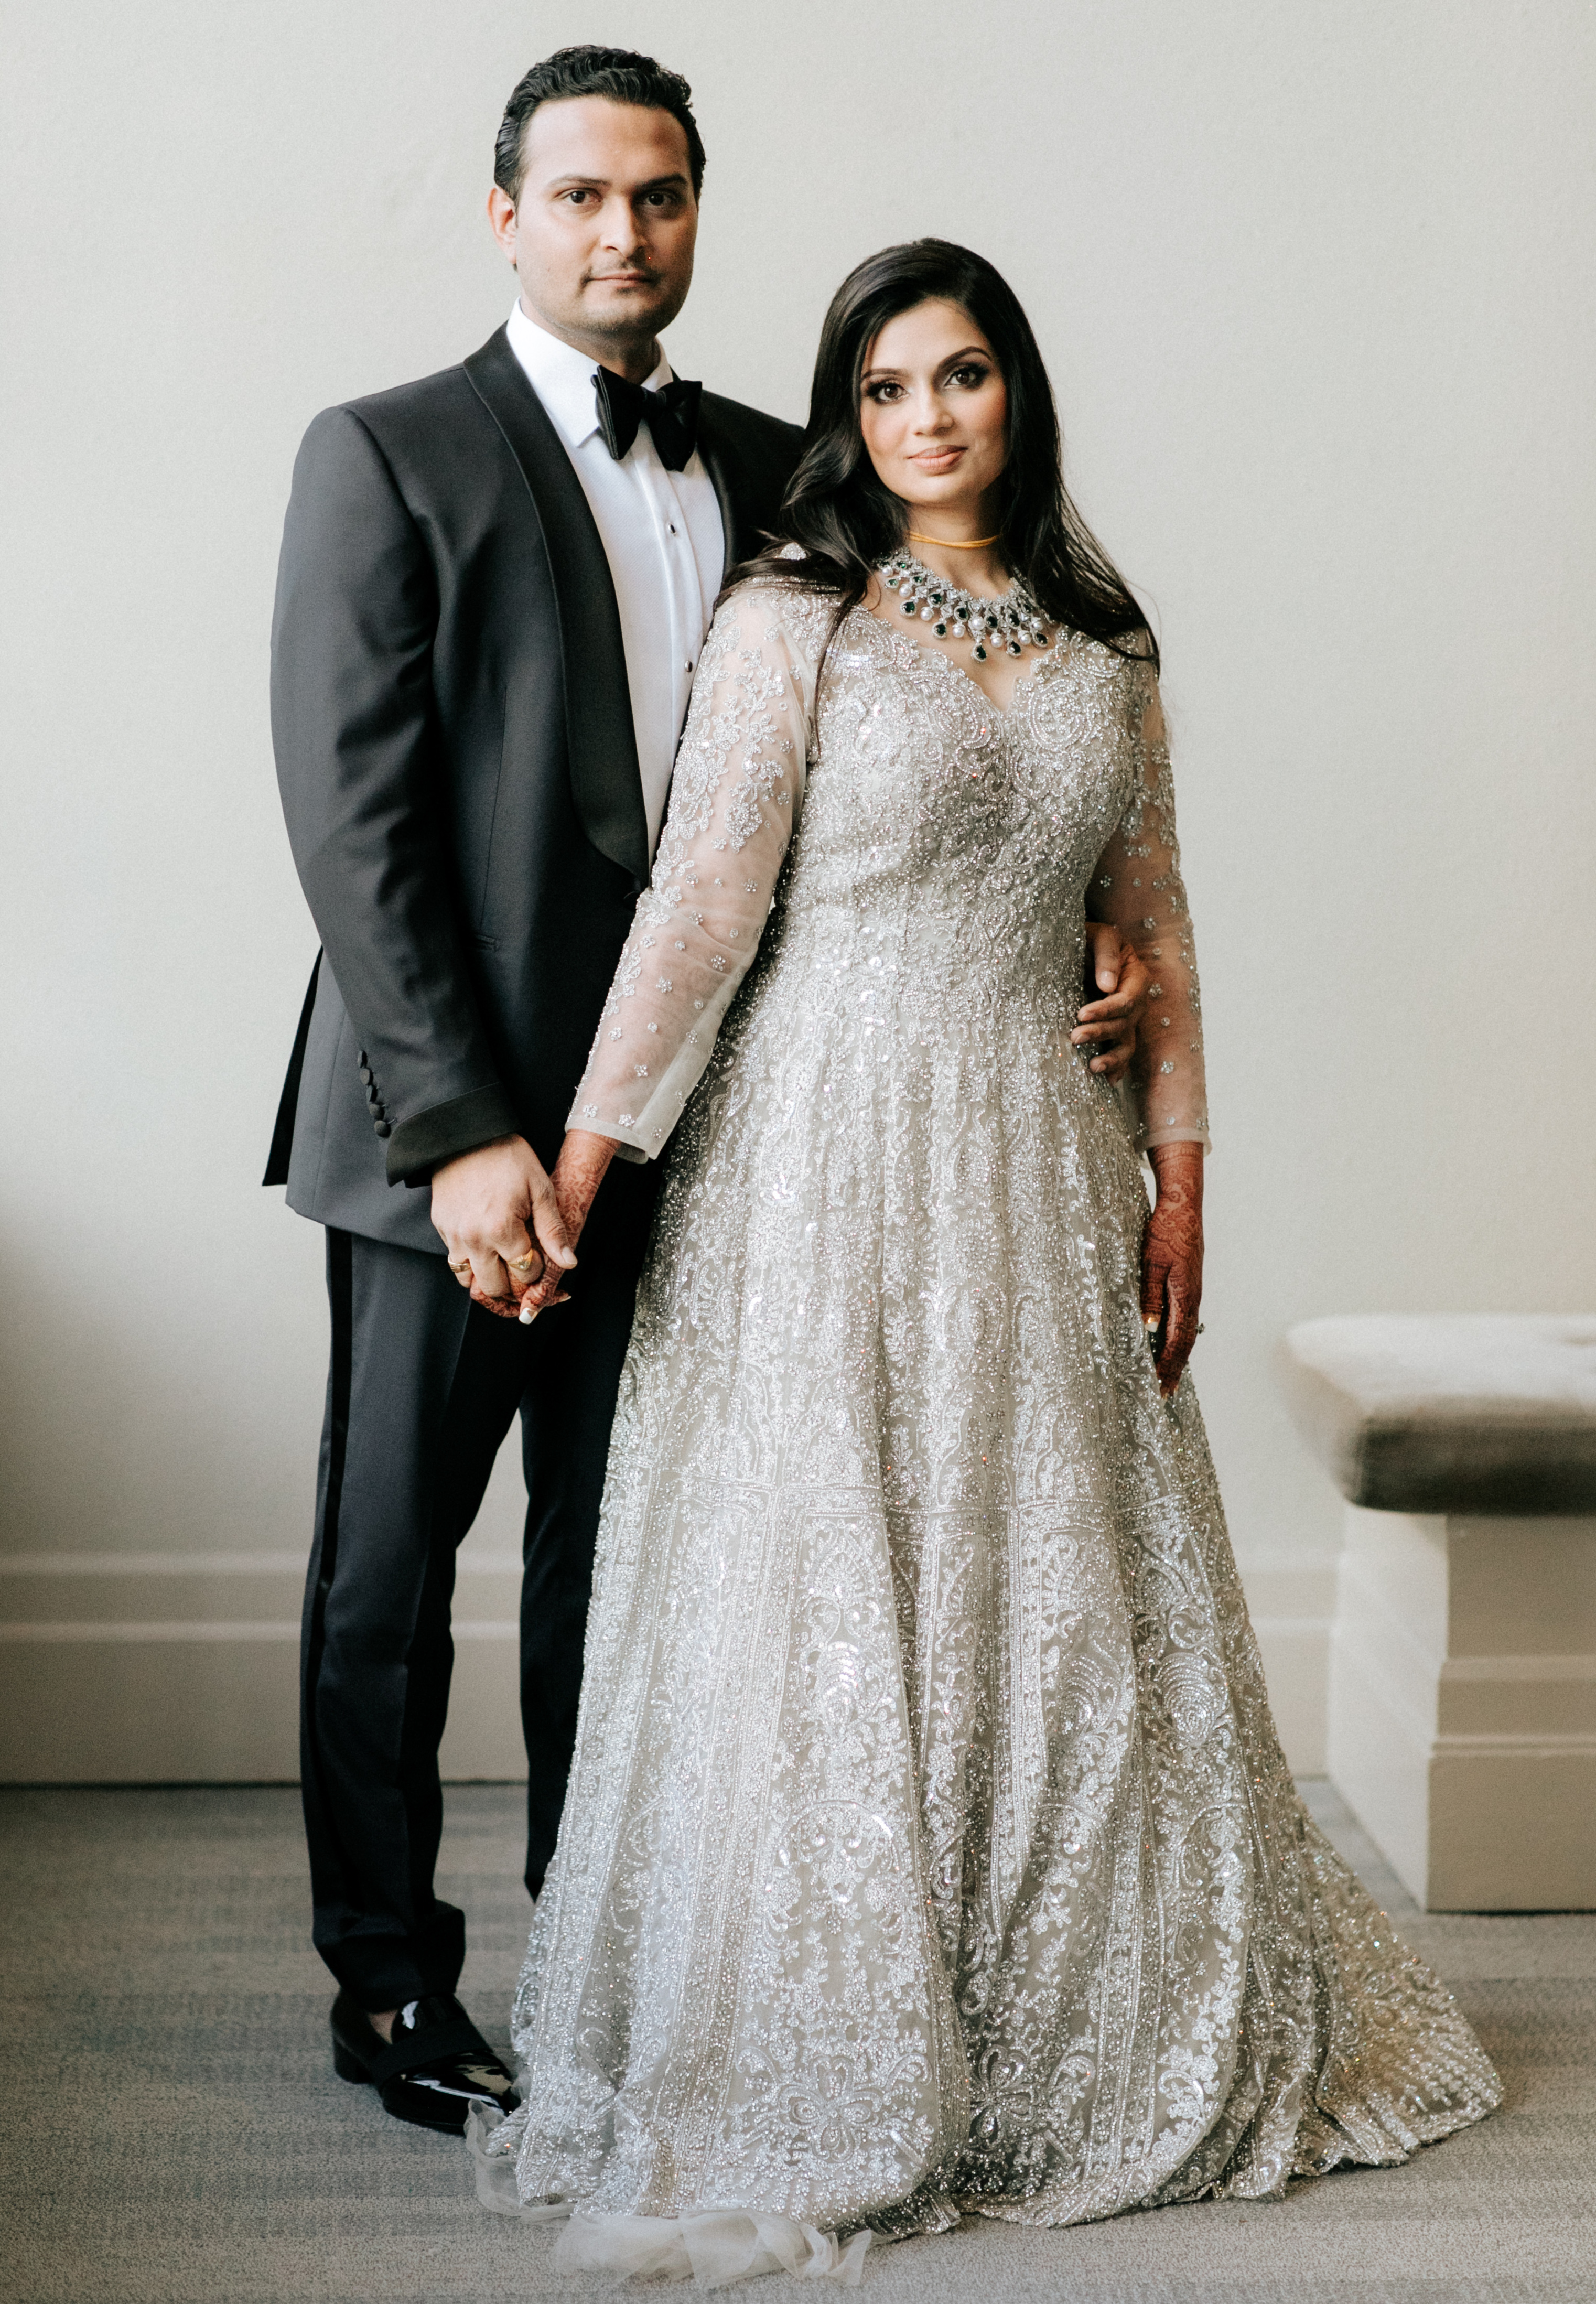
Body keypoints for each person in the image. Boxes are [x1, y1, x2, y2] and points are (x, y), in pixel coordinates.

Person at [471, 241, 1501, 2284]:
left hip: (1036, 1161)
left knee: (1039, 1573)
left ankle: (1058, 2012)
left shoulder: (1104, 635)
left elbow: (1158, 912)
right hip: (822, 1151)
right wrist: (584, 1163)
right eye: (883, 390)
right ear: (846, 417)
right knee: (834, 1570)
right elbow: (697, 909)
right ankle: (827, 2016)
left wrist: (1180, 1175)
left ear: (1013, 390)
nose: (927, 418)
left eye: (959, 377)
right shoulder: (796, 617)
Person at [266, 50, 1154, 2136]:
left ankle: (599, 1951)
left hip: (723, 1126)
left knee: (631, 1568)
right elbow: (353, 819)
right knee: (389, 1568)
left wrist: (1080, 930)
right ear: (503, 213)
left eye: (657, 197)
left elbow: (951, 726)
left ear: (693, 212)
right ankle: (388, 1984)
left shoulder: (786, 466)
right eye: (577, 195)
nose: (620, 233)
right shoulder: (382, 453)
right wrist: (465, 1128)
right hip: (451, 1136)